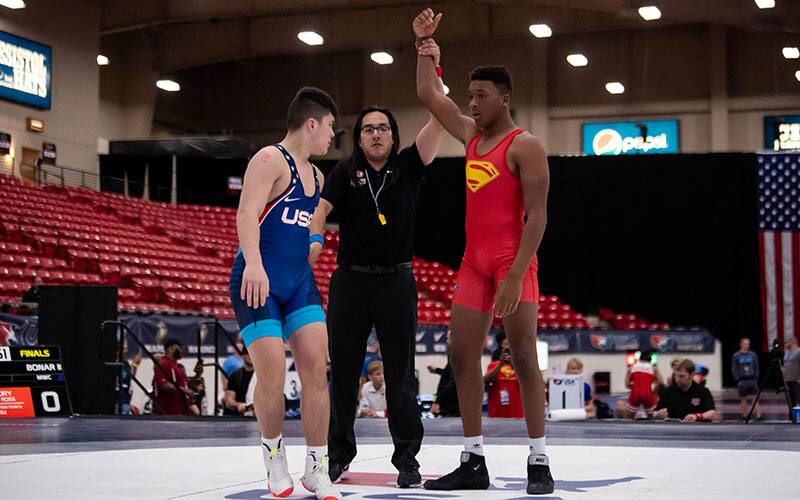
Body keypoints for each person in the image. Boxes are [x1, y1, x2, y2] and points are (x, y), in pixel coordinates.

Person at [414, 9, 553, 494]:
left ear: (505, 98)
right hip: (474, 263)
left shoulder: (524, 146)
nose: (472, 103)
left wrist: (515, 276)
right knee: (460, 354)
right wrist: (426, 48)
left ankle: (539, 459)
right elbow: (428, 94)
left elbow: (538, 216)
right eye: (470, 96)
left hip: (513, 263)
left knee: (524, 359)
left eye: (481, 96)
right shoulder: (471, 136)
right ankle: (473, 459)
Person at [309, 51, 444, 489]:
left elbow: (438, 121)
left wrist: (432, 67)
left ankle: (407, 460)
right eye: (368, 128)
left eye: (383, 127)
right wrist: (314, 238)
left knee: (401, 377)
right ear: (359, 137)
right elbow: (320, 209)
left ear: (393, 134)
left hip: (396, 282)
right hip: (350, 282)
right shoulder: (344, 171)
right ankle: (337, 456)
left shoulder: (408, 167)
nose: (376, 134)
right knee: (344, 374)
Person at [229, 86, 341, 500]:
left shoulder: (317, 176)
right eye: (330, 126)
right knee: (273, 372)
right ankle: (275, 458)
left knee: (315, 368)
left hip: (298, 283)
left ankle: (317, 468)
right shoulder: (269, 159)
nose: (332, 135)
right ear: (311, 123)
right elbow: (246, 213)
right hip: (256, 281)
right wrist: (254, 264)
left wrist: (314, 240)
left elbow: (305, 220)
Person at [483, 334, 523, 418]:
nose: (508, 355)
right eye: (506, 352)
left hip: (517, 415)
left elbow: (526, 383)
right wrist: (500, 364)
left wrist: (514, 365)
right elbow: (486, 380)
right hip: (496, 415)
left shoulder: (521, 368)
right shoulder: (494, 365)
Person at [153, 338, 193, 416]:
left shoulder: (178, 367)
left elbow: (184, 384)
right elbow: (163, 384)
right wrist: (184, 390)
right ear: (171, 349)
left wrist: (198, 374)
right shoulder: (164, 364)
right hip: (169, 412)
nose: (181, 351)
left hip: (180, 410)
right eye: (179, 349)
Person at [623, 352, 664, 420]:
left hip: (635, 394)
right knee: (654, 419)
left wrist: (635, 388)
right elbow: (661, 383)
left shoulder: (632, 367)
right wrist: (654, 391)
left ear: (640, 358)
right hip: (648, 394)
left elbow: (627, 384)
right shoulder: (653, 368)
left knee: (627, 419)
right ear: (650, 360)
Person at [732, 337, 761, 420]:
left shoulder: (752, 355)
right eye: (745, 344)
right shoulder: (736, 355)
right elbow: (734, 368)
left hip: (752, 379)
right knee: (743, 398)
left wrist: (756, 377)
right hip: (742, 380)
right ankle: (744, 415)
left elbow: (756, 367)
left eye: (748, 344)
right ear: (741, 344)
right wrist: (737, 379)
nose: (747, 345)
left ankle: (759, 415)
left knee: (754, 398)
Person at [223, 345, 256, 416]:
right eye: (248, 353)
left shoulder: (261, 376)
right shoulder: (235, 376)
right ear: (243, 356)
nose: (250, 356)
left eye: (253, 353)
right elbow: (229, 400)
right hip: (240, 416)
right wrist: (238, 405)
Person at [782, 338, 800, 412]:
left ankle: (798, 414)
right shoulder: (786, 352)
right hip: (788, 379)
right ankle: (792, 414)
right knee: (791, 398)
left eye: (787, 343)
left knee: (798, 397)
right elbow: (785, 364)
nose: (785, 344)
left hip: (797, 379)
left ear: (793, 343)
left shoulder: (798, 351)